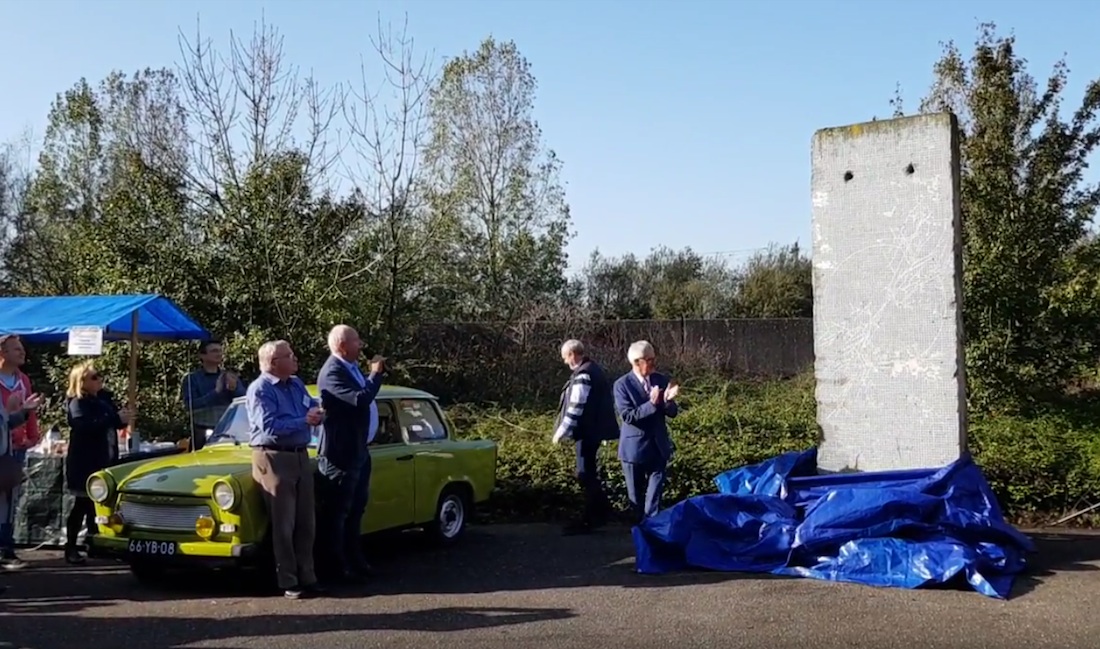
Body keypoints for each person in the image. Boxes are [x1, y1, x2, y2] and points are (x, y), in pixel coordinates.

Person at [246, 340, 323, 599]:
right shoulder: (260, 389)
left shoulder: (296, 383)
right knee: (283, 523)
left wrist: (317, 413)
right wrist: (303, 420)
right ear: (274, 363)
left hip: (300, 454)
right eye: (289, 355)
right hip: (273, 457)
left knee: (306, 522)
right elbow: (269, 427)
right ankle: (288, 580)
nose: (295, 358)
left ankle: (308, 575)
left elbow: (311, 405)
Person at [316, 325, 385, 583]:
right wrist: (375, 375)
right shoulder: (332, 372)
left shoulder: (351, 368)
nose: (362, 345)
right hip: (340, 455)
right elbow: (360, 399)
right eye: (357, 341)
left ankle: (356, 561)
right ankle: (335, 567)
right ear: (342, 345)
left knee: (356, 510)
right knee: (337, 513)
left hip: (359, 451)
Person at [64, 362, 129, 565]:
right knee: (82, 503)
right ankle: (71, 546)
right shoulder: (77, 403)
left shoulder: (102, 400)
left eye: (99, 376)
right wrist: (113, 417)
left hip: (105, 457)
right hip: (85, 460)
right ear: (81, 382)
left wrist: (123, 418)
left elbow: (115, 422)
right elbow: (84, 425)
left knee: (99, 504)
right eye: (94, 377)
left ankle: (95, 543)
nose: (99, 379)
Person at [551, 339, 617, 535]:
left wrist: (560, 433)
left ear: (572, 355)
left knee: (585, 474)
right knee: (588, 473)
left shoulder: (583, 374)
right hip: (593, 432)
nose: (565, 362)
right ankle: (599, 512)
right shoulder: (593, 369)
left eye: (565, 357)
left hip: (587, 433)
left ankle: (594, 516)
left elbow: (576, 407)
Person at [612, 340, 680, 524]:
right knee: (635, 497)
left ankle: (652, 526)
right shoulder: (622, 385)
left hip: (658, 446)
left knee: (654, 495)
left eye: (653, 359)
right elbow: (628, 416)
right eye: (649, 360)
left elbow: (673, 412)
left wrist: (668, 401)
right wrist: (651, 404)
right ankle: (638, 530)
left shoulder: (661, 379)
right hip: (634, 448)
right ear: (636, 362)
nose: (653, 364)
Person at [0, 334, 39, 570]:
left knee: (11, 500)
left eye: (22, 348)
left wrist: (32, 436)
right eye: (16, 349)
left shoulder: (23, 379)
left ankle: (7, 548)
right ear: (2, 353)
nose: (22, 353)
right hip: (1, 446)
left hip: (16, 448)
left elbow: (29, 410)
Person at [180, 340, 245, 450]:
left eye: (220, 351)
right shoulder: (192, 379)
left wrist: (233, 389)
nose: (219, 354)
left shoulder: (229, 376)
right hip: (202, 431)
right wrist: (216, 392)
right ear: (202, 355)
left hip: (229, 432)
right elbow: (191, 405)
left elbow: (244, 400)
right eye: (214, 351)